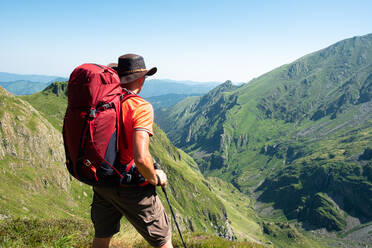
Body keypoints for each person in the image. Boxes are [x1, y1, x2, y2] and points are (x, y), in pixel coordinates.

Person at [91, 54, 173, 248]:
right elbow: (141, 158)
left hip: (102, 181)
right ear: (141, 79)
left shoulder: (101, 104)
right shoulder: (140, 107)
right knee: (163, 240)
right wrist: (155, 178)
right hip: (130, 186)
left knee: (102, 237)